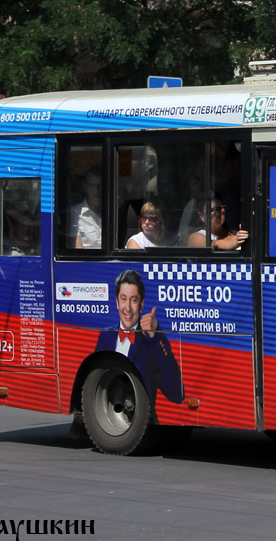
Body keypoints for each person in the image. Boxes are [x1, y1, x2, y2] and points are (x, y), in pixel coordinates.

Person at [95, 269, 183, 412]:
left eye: (133, 300)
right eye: (123, 299)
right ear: (117, 302)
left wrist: (156, 335)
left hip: (144, 424)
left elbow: (177, 394)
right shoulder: (106, 336)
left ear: (141, 305)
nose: (128, 308)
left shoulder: (152, 341)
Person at [69, 170, 103, 249]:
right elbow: (77, 248)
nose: (96, 191)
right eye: (92, 186)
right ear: (85, 187)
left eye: (100, 186)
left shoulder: (113, 213)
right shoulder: (75, 213)